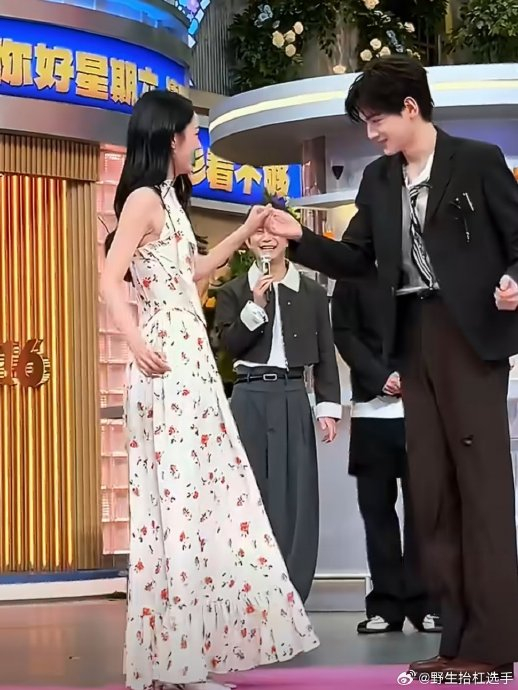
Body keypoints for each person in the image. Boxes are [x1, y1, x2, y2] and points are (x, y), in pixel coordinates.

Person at [267, 55, 518, 682]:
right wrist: (299, 238)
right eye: (364, 121)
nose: (371, 131)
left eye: (376, 118)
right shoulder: (379, 180)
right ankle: (455, 640)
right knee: (432, 496)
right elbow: (357, 260)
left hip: (470, 339)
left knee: (482, 491)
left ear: (410, 108)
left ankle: (494, 641)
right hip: (412, 339)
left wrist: (514, 280)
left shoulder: (478, 161)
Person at [100, 90, 318, 690]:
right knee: (179, 508)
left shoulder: (168, 199)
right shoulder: (144, 199)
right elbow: (110, 277)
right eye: (192, 133)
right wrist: (133, 340)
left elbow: (193, 270)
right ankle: (179, 663)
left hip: (188, 360)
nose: (197, 142)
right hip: (166, 362)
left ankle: (176, 660)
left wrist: (244, 229)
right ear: (170, 138)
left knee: (195, 506)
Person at [214, 206, 341, 602]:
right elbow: (228, 347)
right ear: (248, 240)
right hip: (248, 396)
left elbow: (325, 352)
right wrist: (254, 306)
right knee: (249, 493)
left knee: (297, 495)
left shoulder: (312, 292)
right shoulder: (233, 291)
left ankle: (292, 592)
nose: (266, 238)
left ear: (288, 238)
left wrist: (328, 407)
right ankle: (250, 588)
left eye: (274, 231)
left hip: (292, 395)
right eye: (258, 232)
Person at [332, 275, 440, 634]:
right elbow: (344, 332)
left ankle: (428, 603)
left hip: (424, 411)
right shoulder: (353, 272)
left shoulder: (423, 265)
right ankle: (386, 605)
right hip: (370, 412)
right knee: (376, 511)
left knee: (424, 513)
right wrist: (381, 377)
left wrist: (414, 375)